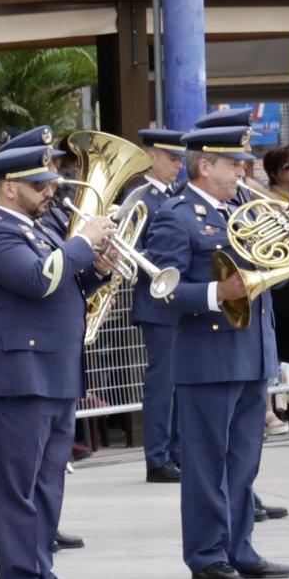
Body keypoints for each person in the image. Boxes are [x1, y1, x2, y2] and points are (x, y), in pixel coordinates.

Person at [143, 118, 289, 579]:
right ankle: (207, 552)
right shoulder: (176, 216)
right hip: (209, 354)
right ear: (205, 164)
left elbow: (274, 273)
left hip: (252, 349)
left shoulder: (248, 209)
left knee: (243, 460)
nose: (243, 170)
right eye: (234, 163)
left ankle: (240, 545)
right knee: (207, 460)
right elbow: (162, 290)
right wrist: (219, 291)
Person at [0, 141, 115, 579]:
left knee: (48, 486)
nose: (50, 191)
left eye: (49, 181)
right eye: (39, 184)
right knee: (16, 490)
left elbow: (61, 285)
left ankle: (43, 575)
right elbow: (38, 280)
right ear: (10, 188)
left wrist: (98, 271)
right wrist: (83, 243)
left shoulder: (38, 227)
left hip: (52, 371)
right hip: (15, 375)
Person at [130, 126, 188, 485]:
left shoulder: (179, 195)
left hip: (181, 302)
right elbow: (130, 249)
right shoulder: (140, 197)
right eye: (171, 158)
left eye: (181, 158)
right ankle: (158, 457)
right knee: (163, 383)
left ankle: (178, 452)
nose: (178, 165)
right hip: (157, 300)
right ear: (151, 155)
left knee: (182, 381)